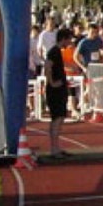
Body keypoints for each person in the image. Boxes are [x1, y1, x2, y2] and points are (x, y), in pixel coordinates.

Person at [44, 28, 75, 157]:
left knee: (59, 117)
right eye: (69, 39)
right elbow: (47, 66)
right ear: (63, 39)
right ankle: (54, 149)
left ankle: (56, 148)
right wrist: (52, 82)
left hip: (59, 88)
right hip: (55, 90)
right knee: (57, 118)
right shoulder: (54, 52)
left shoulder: (58, 52)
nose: (70, 42)